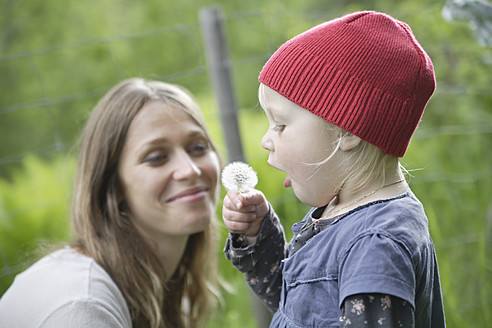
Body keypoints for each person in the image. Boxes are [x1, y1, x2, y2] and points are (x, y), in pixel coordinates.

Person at [222, 11, 446, 327]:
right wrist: (259, 237)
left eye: (281, 125)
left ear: (347, 131)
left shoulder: (375, 246)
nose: (265, 141)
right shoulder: (343, 209)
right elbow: (300, 307)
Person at [0, 78, 222, 328]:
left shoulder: (165, 289)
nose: (189, 170)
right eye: (157, 157)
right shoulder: (82, 307)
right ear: (112, 186)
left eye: (198, 147)